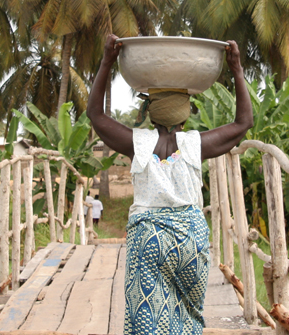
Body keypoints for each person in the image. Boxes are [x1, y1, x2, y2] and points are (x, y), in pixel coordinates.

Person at [86, 34, 252, 335]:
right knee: (189, 318)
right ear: (185, 114)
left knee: (147, 322)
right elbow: (243, 123)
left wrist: (107, 62)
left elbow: (96, 115)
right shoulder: (195, 144)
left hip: (149, 238)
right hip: (191, 239)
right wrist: (236, 68)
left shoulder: (138, 142)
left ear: (151, 113)